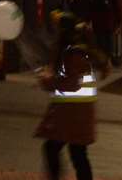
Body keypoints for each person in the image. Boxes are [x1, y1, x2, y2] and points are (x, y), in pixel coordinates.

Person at [35, 11, 109, 180]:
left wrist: (48, 81)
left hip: (72, 115)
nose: (53, 34)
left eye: (55, 30)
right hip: (75, 113)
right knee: (76, 153)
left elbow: (71, 84)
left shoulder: (73, 54)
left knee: (57, 149)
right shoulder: (76, 51)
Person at [89, 0, 122, 64]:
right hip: (108, 19)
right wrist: (119, 21)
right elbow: (117, 4)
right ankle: (107, 61)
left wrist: (89, 19)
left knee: (101, 41)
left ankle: (102, 61)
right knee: (108, 41)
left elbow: (90, 3)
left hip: (98, 19)